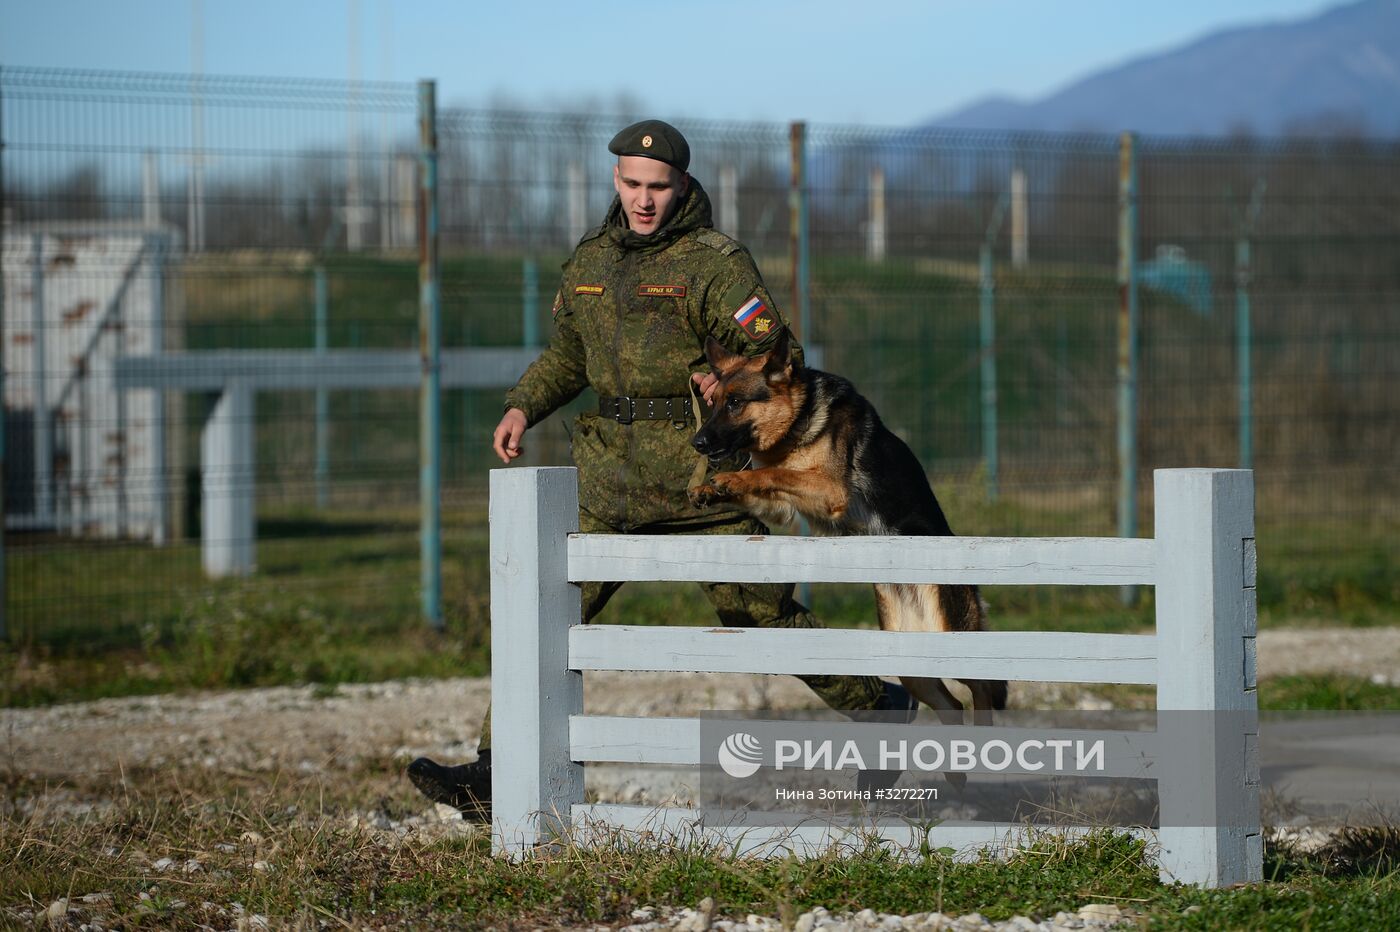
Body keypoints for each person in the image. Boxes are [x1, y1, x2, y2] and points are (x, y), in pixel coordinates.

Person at [408, 119, 916, 820]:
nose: (643, 200)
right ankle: (497, 774)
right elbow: (566, 357)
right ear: (615, 180)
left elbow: (778, 356)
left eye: (658, 186)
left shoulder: (714, 263)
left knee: (760, 614)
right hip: (609, 482)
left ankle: (883, 711)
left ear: (681, 185)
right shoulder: (590, 261)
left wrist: (726, 376)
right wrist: (523, 407)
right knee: (544, 616)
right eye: (632, 184)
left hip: (699, 481)